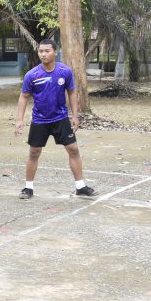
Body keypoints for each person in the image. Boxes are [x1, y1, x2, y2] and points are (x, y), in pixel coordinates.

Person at [14, 38, 96, 199]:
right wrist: (19, 120)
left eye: (47, 51)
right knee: (34, 152)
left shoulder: (65, 71)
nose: (43, 54)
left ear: (55, 52)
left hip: (60, 118)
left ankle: (80, 186)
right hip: (40, 120)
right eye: (40, 51)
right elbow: (23, 97)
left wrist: (75, 116)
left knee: (73, 149)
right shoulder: (32, 75)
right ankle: (28, 188)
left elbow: (72, 93)